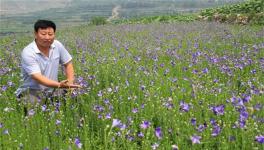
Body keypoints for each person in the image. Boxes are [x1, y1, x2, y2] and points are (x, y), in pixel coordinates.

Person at [15, 19, 81, 105]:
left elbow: (68, 63)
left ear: (54, 34)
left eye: (50, 34)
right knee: (32, 104)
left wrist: (70, 82)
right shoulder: (28, 52)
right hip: (32, 91)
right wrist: (59, 85)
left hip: (53, 89)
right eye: (43, 34)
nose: (47, 37)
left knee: (77, 92)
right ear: (35, 34)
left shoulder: (57, 45)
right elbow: (37, 77)